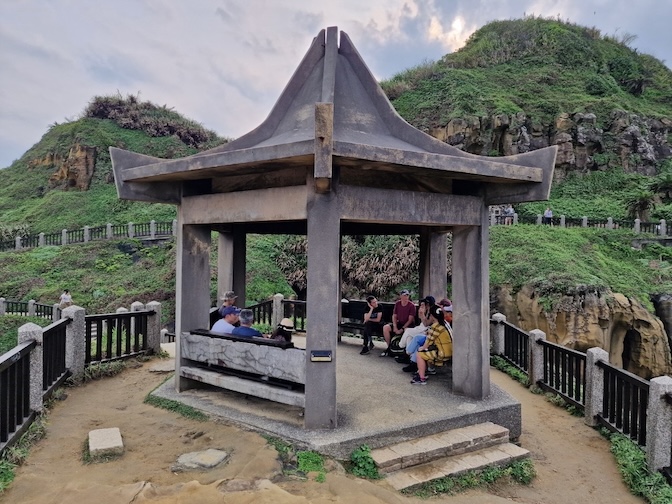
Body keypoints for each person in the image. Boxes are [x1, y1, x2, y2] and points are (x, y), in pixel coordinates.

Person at [411, 304, 453, 385]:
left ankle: (421, 378)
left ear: (432, 316)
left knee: (420, 354)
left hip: (443, 353)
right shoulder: (445, 323)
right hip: (450, 350)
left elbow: (428, 342)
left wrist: (421, 348)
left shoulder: (435, 326)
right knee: (427, 350)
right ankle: (428, 370)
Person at [394, 295, 435, 363]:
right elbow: (420, 318)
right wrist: (421, 312)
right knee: (409, 337)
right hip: (421, 327)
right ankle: (408, 356)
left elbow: (426, 324)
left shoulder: (432, 312)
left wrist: (422, 315)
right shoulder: (427, 309)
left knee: (407, 331)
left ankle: (401, 346)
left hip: (425, 330)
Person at [381, 289, 416, 357]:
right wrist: (395, 326)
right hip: (399, 323)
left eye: (407, 295)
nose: (405, 297)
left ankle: (405, 351)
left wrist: (402, 329)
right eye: (404, 296)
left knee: (407, 331)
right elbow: (394, 316)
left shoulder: (412, 306)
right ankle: (390, 347)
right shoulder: (397, 304)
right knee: (386, 327)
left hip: (408, 325)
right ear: (400, 296)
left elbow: (410, 320)